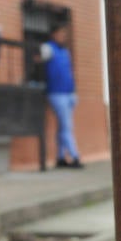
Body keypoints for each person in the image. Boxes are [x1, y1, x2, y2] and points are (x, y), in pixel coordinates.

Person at [40, 23, 84, 168]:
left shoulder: (65, 52)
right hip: (57, 93)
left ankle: (60, 158)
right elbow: (38, 64)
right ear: (54, 34)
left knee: (62, 127)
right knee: (66, 126)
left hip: (69, 94)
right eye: (60, 33)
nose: (63, 36)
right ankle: (75, 157)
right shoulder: (47, 48)